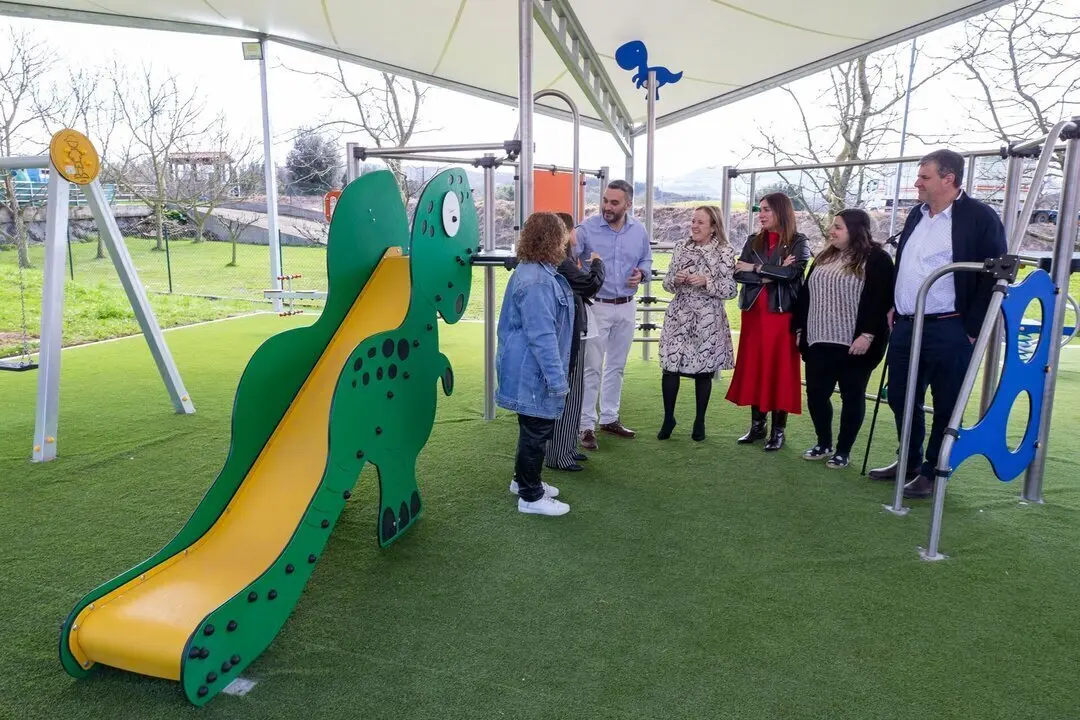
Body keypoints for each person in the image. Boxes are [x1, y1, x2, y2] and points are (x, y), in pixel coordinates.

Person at [869, 149, 1007, 498]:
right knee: (901, 395)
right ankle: (910, 460)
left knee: (946, 401)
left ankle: (932, 470)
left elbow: (995, 275)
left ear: (949, 179)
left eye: (925, 177)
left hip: (950, 326)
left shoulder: (979, 217)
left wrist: (973, 327)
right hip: (906, 323)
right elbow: (909, 264)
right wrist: (893, 305)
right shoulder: (917, 214)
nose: (917, 182)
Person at [792, 208, 894, 469]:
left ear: (855, 230)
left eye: (838, 227)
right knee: (816, 394)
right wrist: (800, 329)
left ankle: (843, 450)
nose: (831, 231)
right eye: (832, 226)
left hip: (855, 345)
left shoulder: (877, 259)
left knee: (852, 396)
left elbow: (881, 299)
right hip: (818, 340)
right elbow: (807, 294)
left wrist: (868, 335)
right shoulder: (825, 256)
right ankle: (823, 443)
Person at [495, 212, 576, 516]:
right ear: (554, 239)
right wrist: (557, 381)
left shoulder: (532, 271)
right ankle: (530, 496)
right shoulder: (539, 280)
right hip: (532, 369)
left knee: (531, 426)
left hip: (525, 366)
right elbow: (542, 336)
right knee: (537, 430)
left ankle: (523, 481)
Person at [726, 192, 811, 451]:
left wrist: (758, 268)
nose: (761, 215)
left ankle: (778, 431)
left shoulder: (799, 241)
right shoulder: (754, 241)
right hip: (753, 315)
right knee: (755, 367)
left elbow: (793, 274)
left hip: (780, 316)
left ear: (781, 212)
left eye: (766, 210)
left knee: (779, 371)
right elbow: (738, 273)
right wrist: (769, 272)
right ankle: (757, 426)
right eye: (760, 209)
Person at [574, 179, 653, 451]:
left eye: (614, 202)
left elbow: (647, 260)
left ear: (628, 204)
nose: (607, 206)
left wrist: (641, 273)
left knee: (617, 366)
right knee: (591, 367)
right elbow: (566, 254)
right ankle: (585, 425)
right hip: (596, 306)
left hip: (627, 306)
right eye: (605, 201)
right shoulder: (586, 228)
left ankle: (609, 418)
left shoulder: (638, 230)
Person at [657, 205, 737, 442]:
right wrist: (676, 279)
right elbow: (667, 283)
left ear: (713, 227)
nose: (694, 225)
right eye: (693, 221)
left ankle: (699, 421)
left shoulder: (724, 251)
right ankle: (668, 418)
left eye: (700, 222)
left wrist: (706, 281)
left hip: (707, 318)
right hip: (679, 314)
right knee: (669, 367)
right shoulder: (681, 247)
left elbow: (730, 290)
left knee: (704, 371)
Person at [545, 212, 605, 472]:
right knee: (568, 393)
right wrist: (597, 264)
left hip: (573, 330)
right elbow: (590, 285)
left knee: (575, 390)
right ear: (566, 232)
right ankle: (560, 454)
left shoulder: (561, 259)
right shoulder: (561, 261)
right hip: (568, 332)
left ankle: (567, 448)